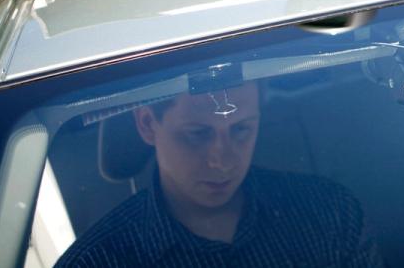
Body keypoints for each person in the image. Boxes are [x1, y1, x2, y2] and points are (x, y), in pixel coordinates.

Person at [55, 81, 384, 267]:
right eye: (198, 134)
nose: (222, 160)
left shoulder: (330, 214)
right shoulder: (96, 263)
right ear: (146, 124)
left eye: (241, 129)